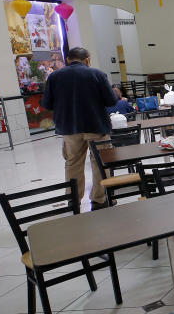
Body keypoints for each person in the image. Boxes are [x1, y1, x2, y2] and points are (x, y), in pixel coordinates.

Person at [41, 47, 117, 210]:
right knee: (100, 163)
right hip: (96, 126)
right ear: (87, 59)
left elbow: (46, 104)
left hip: (69, 128)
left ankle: (73, 199)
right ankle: (99, 199)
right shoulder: (97, 74)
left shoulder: (54, 77)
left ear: (68, 60)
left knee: (73, 163)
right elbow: (111, 101)